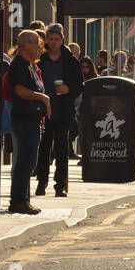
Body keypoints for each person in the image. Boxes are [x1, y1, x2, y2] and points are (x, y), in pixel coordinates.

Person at [35, 23, 84, 198]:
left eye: (57, 39)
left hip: (63, 111)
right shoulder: (40, 59)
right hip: (43, 111)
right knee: (43, 149)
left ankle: (60, 185)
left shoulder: (70, 60)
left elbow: (79, 85)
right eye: (50, 39)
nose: (54, 42)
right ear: (46, 40)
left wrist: (68, 89)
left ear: (62, 40)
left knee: (62, 150)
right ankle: (41, 183)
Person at [7, 30, 49, 214]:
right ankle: (18, 201)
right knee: (26, 160)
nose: (40, 46)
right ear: (25, 45)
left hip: (32, 119)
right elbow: (19, 90)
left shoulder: (30, 65)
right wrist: (42, 97)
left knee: (28, 161)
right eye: (35, 43)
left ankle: (21, 199)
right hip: (24, 119)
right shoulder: (19, 65)